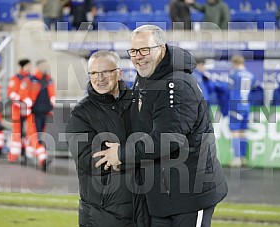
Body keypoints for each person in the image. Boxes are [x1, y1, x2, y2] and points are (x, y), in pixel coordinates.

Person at [93, 25, 228, 227]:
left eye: (144, 50)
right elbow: (139, 125)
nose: (138, 56)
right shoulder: (145, 78)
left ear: (162, 49)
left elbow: (167, 139)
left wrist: (122, 154)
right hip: (161, 197)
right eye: (133, 51)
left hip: (191, 193)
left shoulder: (178, 84)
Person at [65, 50, 149, 227]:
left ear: (119, 73)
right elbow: (87, 159)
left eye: (105, 72)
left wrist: (120, 153)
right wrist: (131, 154)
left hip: (143, 208)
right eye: (94, 73)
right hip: (102, 214)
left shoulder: (138, 101)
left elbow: (153, 143)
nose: (99, 78)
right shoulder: (81, 113)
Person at [21, 59, 56, 170]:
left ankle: (27, 154)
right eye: (43, 65)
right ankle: (43, 159)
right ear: (38, 66)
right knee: (35, 137)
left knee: (37, 136)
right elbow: (23, 93)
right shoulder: (31, 79)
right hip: (33, 113)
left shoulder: (49, 80)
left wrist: (52, 102)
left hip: (44, 112)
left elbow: (52, 93)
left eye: (46, 65)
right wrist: (27, 102)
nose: (45, 67)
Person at [228, 55, 257, 168]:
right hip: (246, 105)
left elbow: (228, 89)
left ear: (234, 63)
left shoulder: (234, 74)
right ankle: (243, 157)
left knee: (235, 132)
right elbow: (255, 89)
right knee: (242, 132)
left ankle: (237, 158)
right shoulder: (251, 75)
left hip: (236, 104)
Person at [7, 59, 32, 163]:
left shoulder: (32, 78)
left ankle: (27, 154)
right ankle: (14, 155)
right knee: (17, 132)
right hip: (17, 110)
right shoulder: (15, 78)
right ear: (22, 67)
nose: (29, 67)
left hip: (30, 110)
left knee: (30, 132)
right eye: (28, 66)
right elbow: (11, 93)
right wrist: (22, 103)